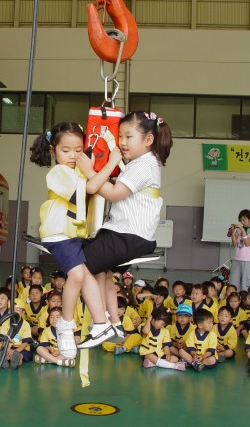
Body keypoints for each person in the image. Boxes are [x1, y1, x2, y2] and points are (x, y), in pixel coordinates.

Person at [77, 111, 173, 347]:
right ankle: (115, 324)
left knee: (79, 265)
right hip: (128, 234)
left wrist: (89, 170)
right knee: (104, 273)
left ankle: (100, 324)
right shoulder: (142, 164)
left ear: (148, 140)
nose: (121, 142)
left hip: (128, 235)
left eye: (128, 137)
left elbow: (112, 192)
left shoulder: (144, 164)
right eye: (120, 136)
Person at [30, 122, 122, 358]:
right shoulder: (58, 173)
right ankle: (65, 325)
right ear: (53, 150)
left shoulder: (79, 169)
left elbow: (96, 177)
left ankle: (101, 323)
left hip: (73, 235)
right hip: (57, 232)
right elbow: (92, 187)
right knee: (78, 275)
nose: (73, 156)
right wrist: (111, 161)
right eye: (66, 150)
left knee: (87, 276)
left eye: (78, 150)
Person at [228, 209, 250, 292]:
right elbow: (235, 243)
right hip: (236, 258)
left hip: (247, 260)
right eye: (241, 220)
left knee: (246, 284)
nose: (242, 222)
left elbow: (248, 243)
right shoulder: (239, 229)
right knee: (234, 283)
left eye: (244, 219)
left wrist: (242, 231)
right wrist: (233, 233)